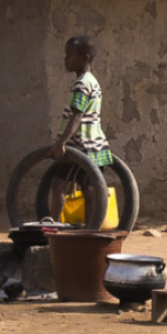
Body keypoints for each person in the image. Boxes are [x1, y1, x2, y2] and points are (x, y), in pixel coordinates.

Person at [48, 35, 117, 226]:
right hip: (97, 145)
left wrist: (61, 143)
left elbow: (77, 116)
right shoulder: (92, 81)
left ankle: (53, 229)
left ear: (85, 58)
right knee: (89, 189)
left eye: (69, 55)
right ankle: (89, 230)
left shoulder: (81, 84)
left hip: (81, 146)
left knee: (58, 184)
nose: (65, 59)